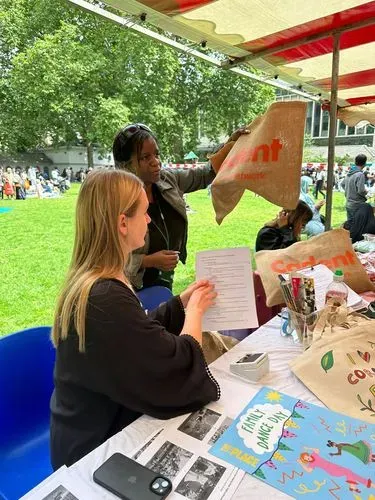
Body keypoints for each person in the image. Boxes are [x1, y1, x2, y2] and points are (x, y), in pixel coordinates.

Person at [50, 169, 220, 470]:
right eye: (145, 211)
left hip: (96, 430)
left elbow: (136, 332)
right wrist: (195, 313)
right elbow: (173, 366)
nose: (150, 219)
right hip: (93, 454)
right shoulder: (103, 297)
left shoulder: (99, 281)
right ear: (122, 223)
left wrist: (180, 303)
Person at [112, 123, 248, 290]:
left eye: (156, 154)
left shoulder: (168, 179)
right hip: (129, 285)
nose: (156, 162)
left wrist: (229, 146)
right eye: (145, 157)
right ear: (126, 165)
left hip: (163, 282)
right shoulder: (115, 202)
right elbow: (107, 258)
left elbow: (204, 174)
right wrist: (149, 261)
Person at [344, 154, 368, 226]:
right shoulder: (360, 174)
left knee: (350, 226)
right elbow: (361, 191)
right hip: (357, 204)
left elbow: (342, 184)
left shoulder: (349, 173)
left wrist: (349, 191)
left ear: (355, 162)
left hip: (348, 203)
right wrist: (366, 192)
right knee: (358, 226)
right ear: (364, 163)